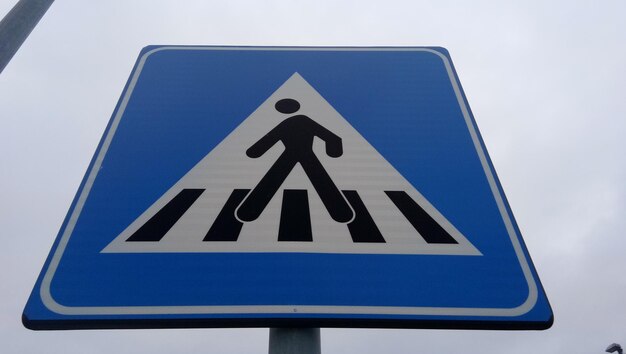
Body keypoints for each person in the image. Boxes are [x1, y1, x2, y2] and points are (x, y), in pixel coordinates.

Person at [236, 98, 354, 223]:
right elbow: (332, 138)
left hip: (294, 155)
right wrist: (333, 152)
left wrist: (254, 152)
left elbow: (264, 143)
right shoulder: (299, 121)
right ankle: (341, 212)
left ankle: (248, 210)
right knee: (320, 180)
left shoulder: (293, 122)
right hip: (303, 155)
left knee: (272, 179)